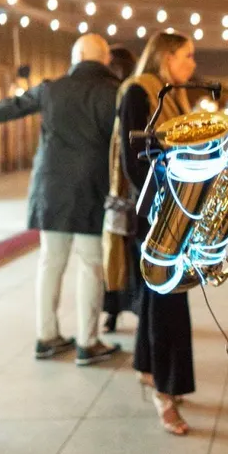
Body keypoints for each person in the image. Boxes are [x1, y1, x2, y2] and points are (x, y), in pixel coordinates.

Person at [0, 34, 122, 366]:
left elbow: (14, 106)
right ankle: (87, 342)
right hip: (92, 187)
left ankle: (46, 336)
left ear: (76, 57)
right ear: (105, 59)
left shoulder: (52, 88)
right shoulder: (113, 92)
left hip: (51, 187)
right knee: (91, 265)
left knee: (51, 261)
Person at [104, 31, 198, 436]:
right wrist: (167, 197)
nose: (193, 63)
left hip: (171, 207)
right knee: (166, 301)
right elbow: (133, 159)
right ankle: (165, 394)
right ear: (166, 58)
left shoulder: (171, 93)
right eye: (187, 56)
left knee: (163, 296)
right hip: (156, 213)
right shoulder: (138, 93)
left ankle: (148, 369)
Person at [101, 45, 138, 333]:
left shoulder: (120, 93)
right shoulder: (130, 91)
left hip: (112, 186)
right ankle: (133, 307)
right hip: (128, 188)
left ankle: (111, 311)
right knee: (129, 252)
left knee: (112, 250)